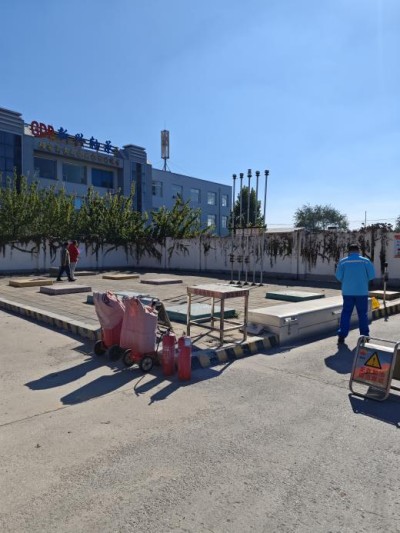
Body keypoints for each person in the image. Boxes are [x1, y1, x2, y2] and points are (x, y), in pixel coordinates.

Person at [335, 243, 375, 344]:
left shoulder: (343, 262)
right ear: (358, 251)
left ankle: (342, 336)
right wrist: (362, 280)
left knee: (346, 313)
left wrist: (347, 281)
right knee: (362, 314)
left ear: (349, 251)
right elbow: (372, 275)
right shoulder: (365, 261)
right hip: (362, 292)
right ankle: (364, 337)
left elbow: (338, 276)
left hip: (347, 292)